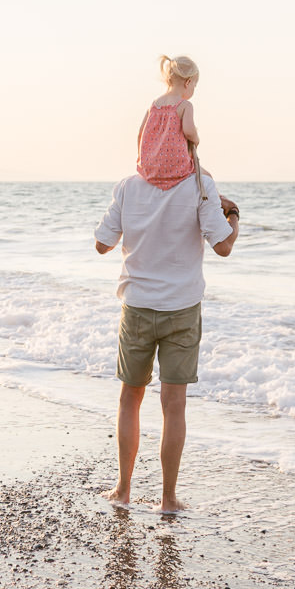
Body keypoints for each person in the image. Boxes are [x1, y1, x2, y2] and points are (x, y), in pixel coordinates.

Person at [94, 160, 240, 513]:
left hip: (138, 306)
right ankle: (168, 499)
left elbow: (102, 244)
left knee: (130, 398)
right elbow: (224, 246)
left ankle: (123, 490)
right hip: (182, 308)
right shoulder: (201, 185)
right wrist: (232, 212)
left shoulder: (129, 186)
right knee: (174, 404)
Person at [136, 55, 202, 190]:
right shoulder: (184, 105)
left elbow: (140, 134)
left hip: (150, 167)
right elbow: (189, 132)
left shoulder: (154, 105)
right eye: (195, 86)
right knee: (207, 177)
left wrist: (143, 160)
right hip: (176, 167)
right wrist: (197, 139)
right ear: (188, 82)